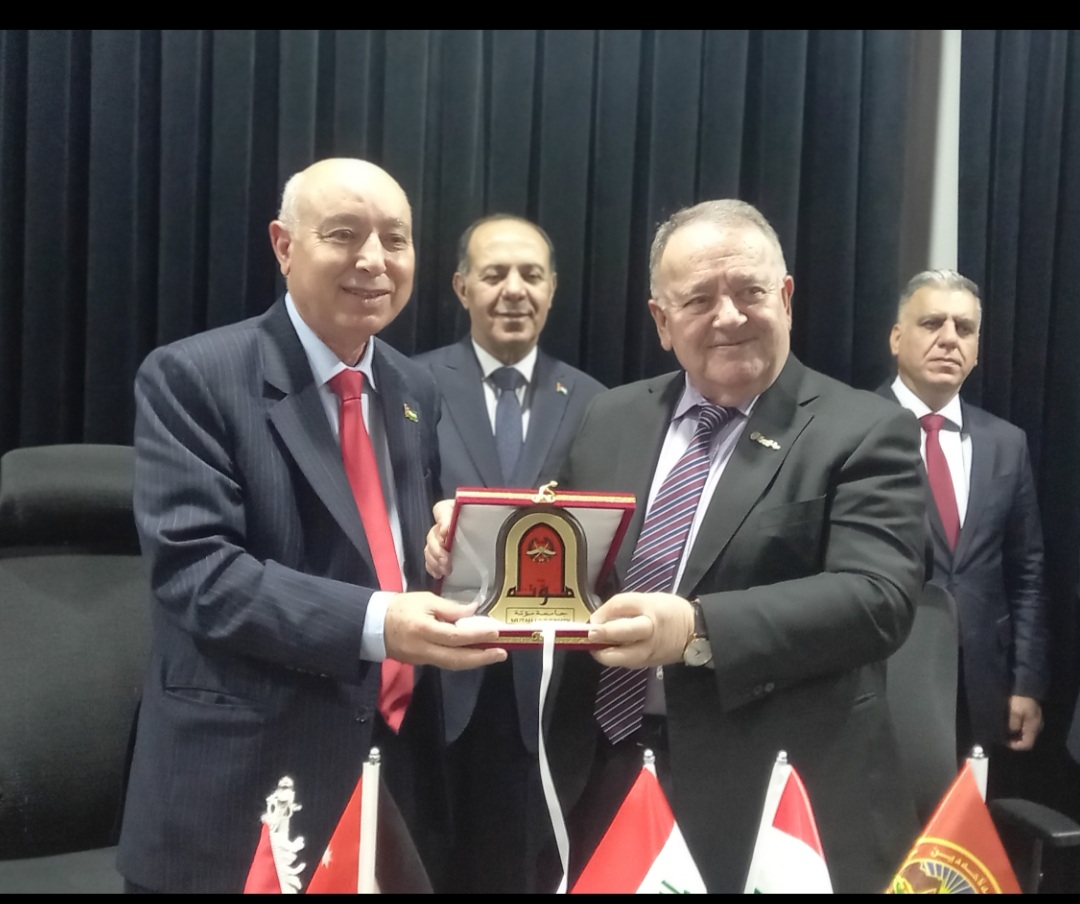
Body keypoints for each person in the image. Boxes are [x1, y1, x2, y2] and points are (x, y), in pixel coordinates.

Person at [428, 199, 927, 892]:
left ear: (785, 297)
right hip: (599, 774)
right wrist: (471, 540)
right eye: (698, 299)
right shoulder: (611, 416)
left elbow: (878, 599)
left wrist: (696, 630)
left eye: (750, 291)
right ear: (662, 321)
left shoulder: (865, 429)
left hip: (769, 796)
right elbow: (559, 537)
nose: (729, 316)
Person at [116, 158, 505, 893]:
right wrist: (380, 621)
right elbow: (200, 574)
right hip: (243, 785)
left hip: (393, 775)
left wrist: (445, 548)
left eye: (396, 239)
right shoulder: (193, 376)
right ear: (284, 245)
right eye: (344, 235)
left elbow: (385, 547)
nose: (374, 260)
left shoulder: (413, 386)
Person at [412, 214, 604, 893]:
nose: (514, 290)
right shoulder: (411, 385)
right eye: (494, 274)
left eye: (531, 275)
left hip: (544, 691)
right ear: (461, 287)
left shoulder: (595, 402)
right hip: (433, 679)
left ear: (552, 289)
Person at [880, 270, 1049, 774]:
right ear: (897, 338)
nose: (949, 338)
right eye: (932, 323)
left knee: (967, 820)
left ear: (975, 351)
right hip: (881, 675)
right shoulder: (852, 427)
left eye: (965, 328)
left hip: (982, 685)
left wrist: (1027, 681)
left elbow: (1027, 571)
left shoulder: (1006, 442)